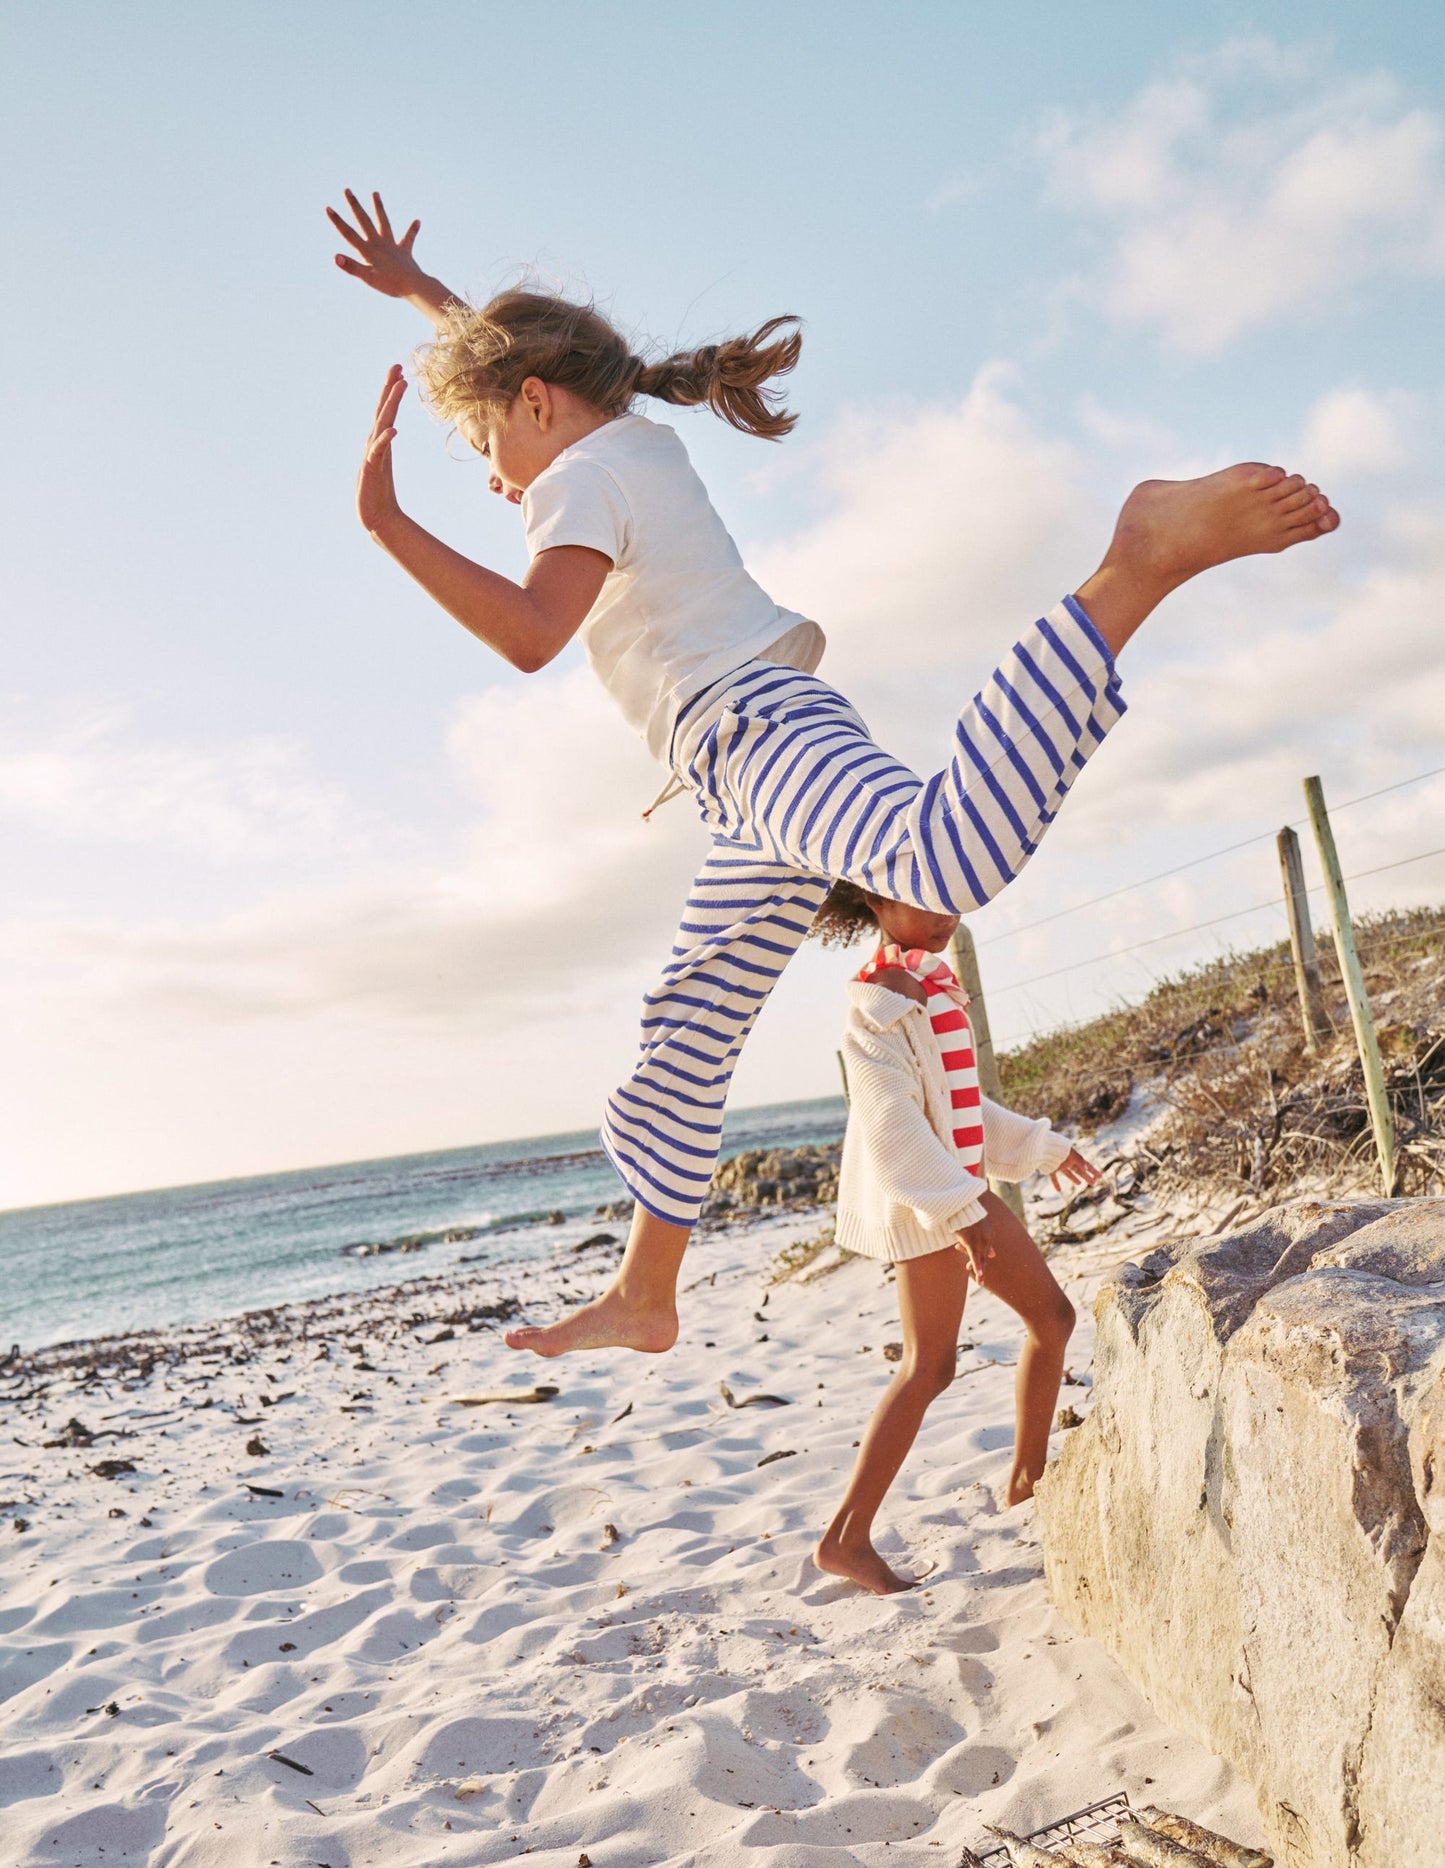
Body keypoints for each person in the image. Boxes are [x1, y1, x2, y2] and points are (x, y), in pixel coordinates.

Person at [327, 188, 1339, 1360]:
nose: (493, 476)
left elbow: (527, 633)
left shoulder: (576, 479)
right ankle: (648, 1289)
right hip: (743, 766)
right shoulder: (622, 440)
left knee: (942, 857)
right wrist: (424, 294)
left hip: (753, 734)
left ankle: (1135, 564)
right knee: (691, 1020)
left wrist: (385, 525)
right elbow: (512, 375)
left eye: (482, 442)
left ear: (538, 404)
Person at [808, 878, 1096, 1595]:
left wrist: (1041, 1146)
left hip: (954, 1188)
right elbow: (893, 1129)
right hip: (931, 1201)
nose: (945, 919)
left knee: (1010, 1334)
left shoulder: (927, 989)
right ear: (875, 905)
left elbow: (957, 1102)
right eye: (924, 903)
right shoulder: (874, 1015)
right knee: (941, 1360)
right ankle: (849, 1537)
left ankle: (1024, 1487)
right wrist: (959, 1213)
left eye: (950, 902)